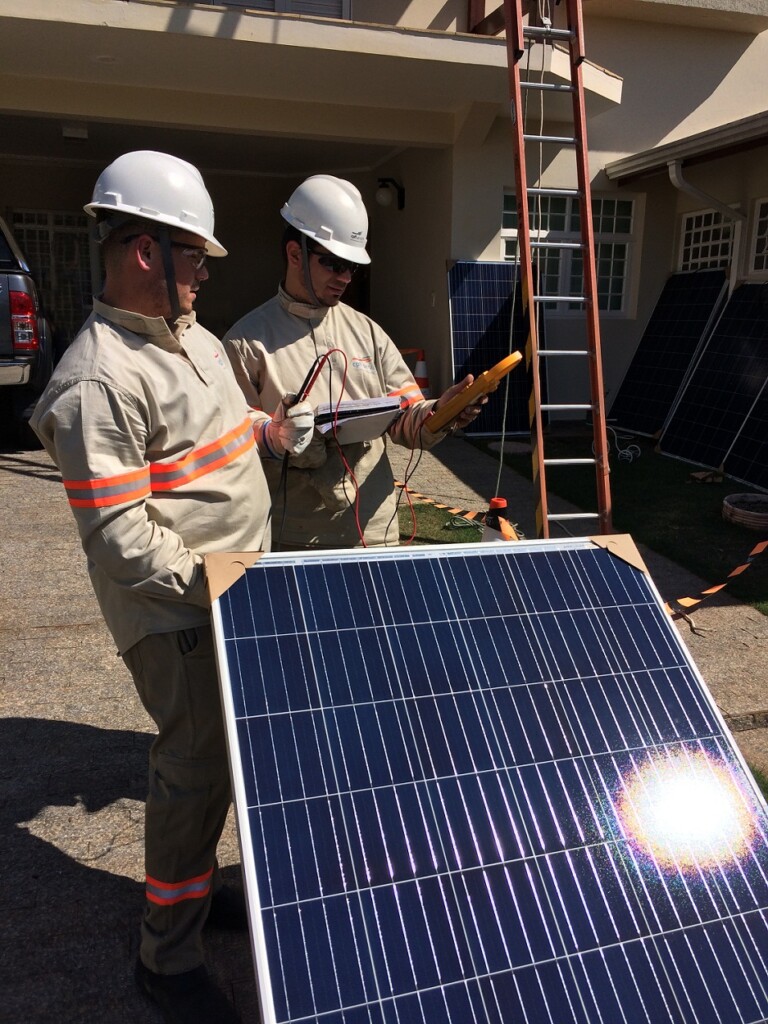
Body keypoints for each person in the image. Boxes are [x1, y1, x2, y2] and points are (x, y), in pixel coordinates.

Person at [30, 151, 313, 1024]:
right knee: (195, 771)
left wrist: (271, 432)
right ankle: (167, 955)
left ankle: (193, 896)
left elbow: (221, 444)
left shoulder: (191, 339)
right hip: (178, 613)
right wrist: (226, 584)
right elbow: (124, 543)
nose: (205, 273)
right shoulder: (95, 382)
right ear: (146, 251)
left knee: (233, 762)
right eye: (196, 255)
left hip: (233, 591)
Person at [223, 174, 486, 550]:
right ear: (295, 254)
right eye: (333, 264)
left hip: (373, 531)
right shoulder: (246, 342)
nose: (345, 278)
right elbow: (230, 437)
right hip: (292, 536)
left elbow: (407, 416)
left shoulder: (368, 333)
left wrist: (445, 411)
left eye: (352, 267)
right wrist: (277, 435)